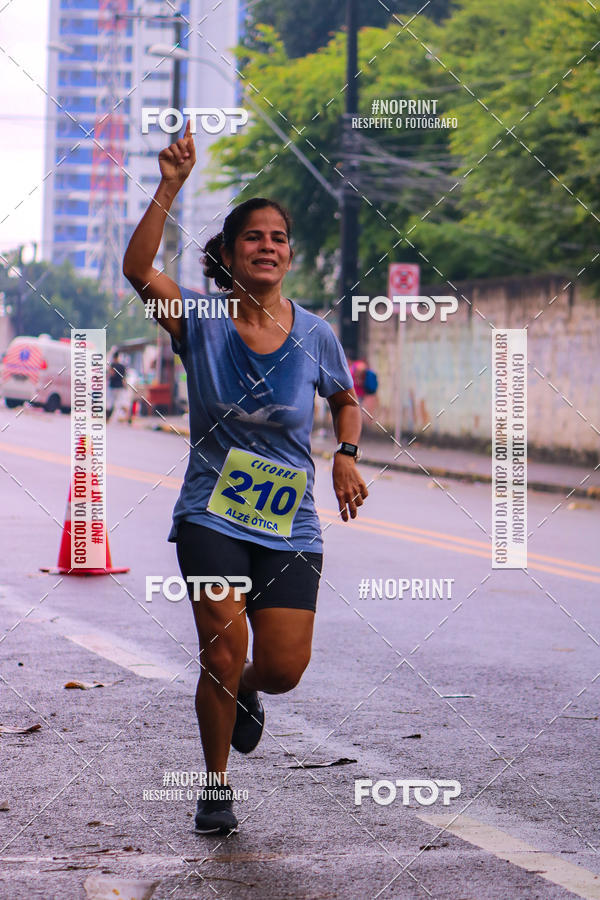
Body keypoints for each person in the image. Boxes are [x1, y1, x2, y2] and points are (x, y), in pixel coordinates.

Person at [122, 120, 368, 835]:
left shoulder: (315, 333)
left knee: (282, 666)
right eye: (254, 237)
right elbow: (140, 270)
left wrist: (347, 454)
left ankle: (249, 694)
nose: (269, 245)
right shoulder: (198, 320)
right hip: (212, 516)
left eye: (278, 238)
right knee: (223, 647)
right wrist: (170, 183)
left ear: (288, 256)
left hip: (289, 522)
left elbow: (346, 400)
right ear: (228, 255)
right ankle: (216, 784)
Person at [107, 351, 127, 422]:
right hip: (120, 387)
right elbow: (124, 378)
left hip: (113, 386)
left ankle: (107, 418)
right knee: (121, 402)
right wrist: (125, 387)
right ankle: (128, 417)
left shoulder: (113, 365)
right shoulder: (122, 366)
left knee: (110, 403)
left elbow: (111, 374)